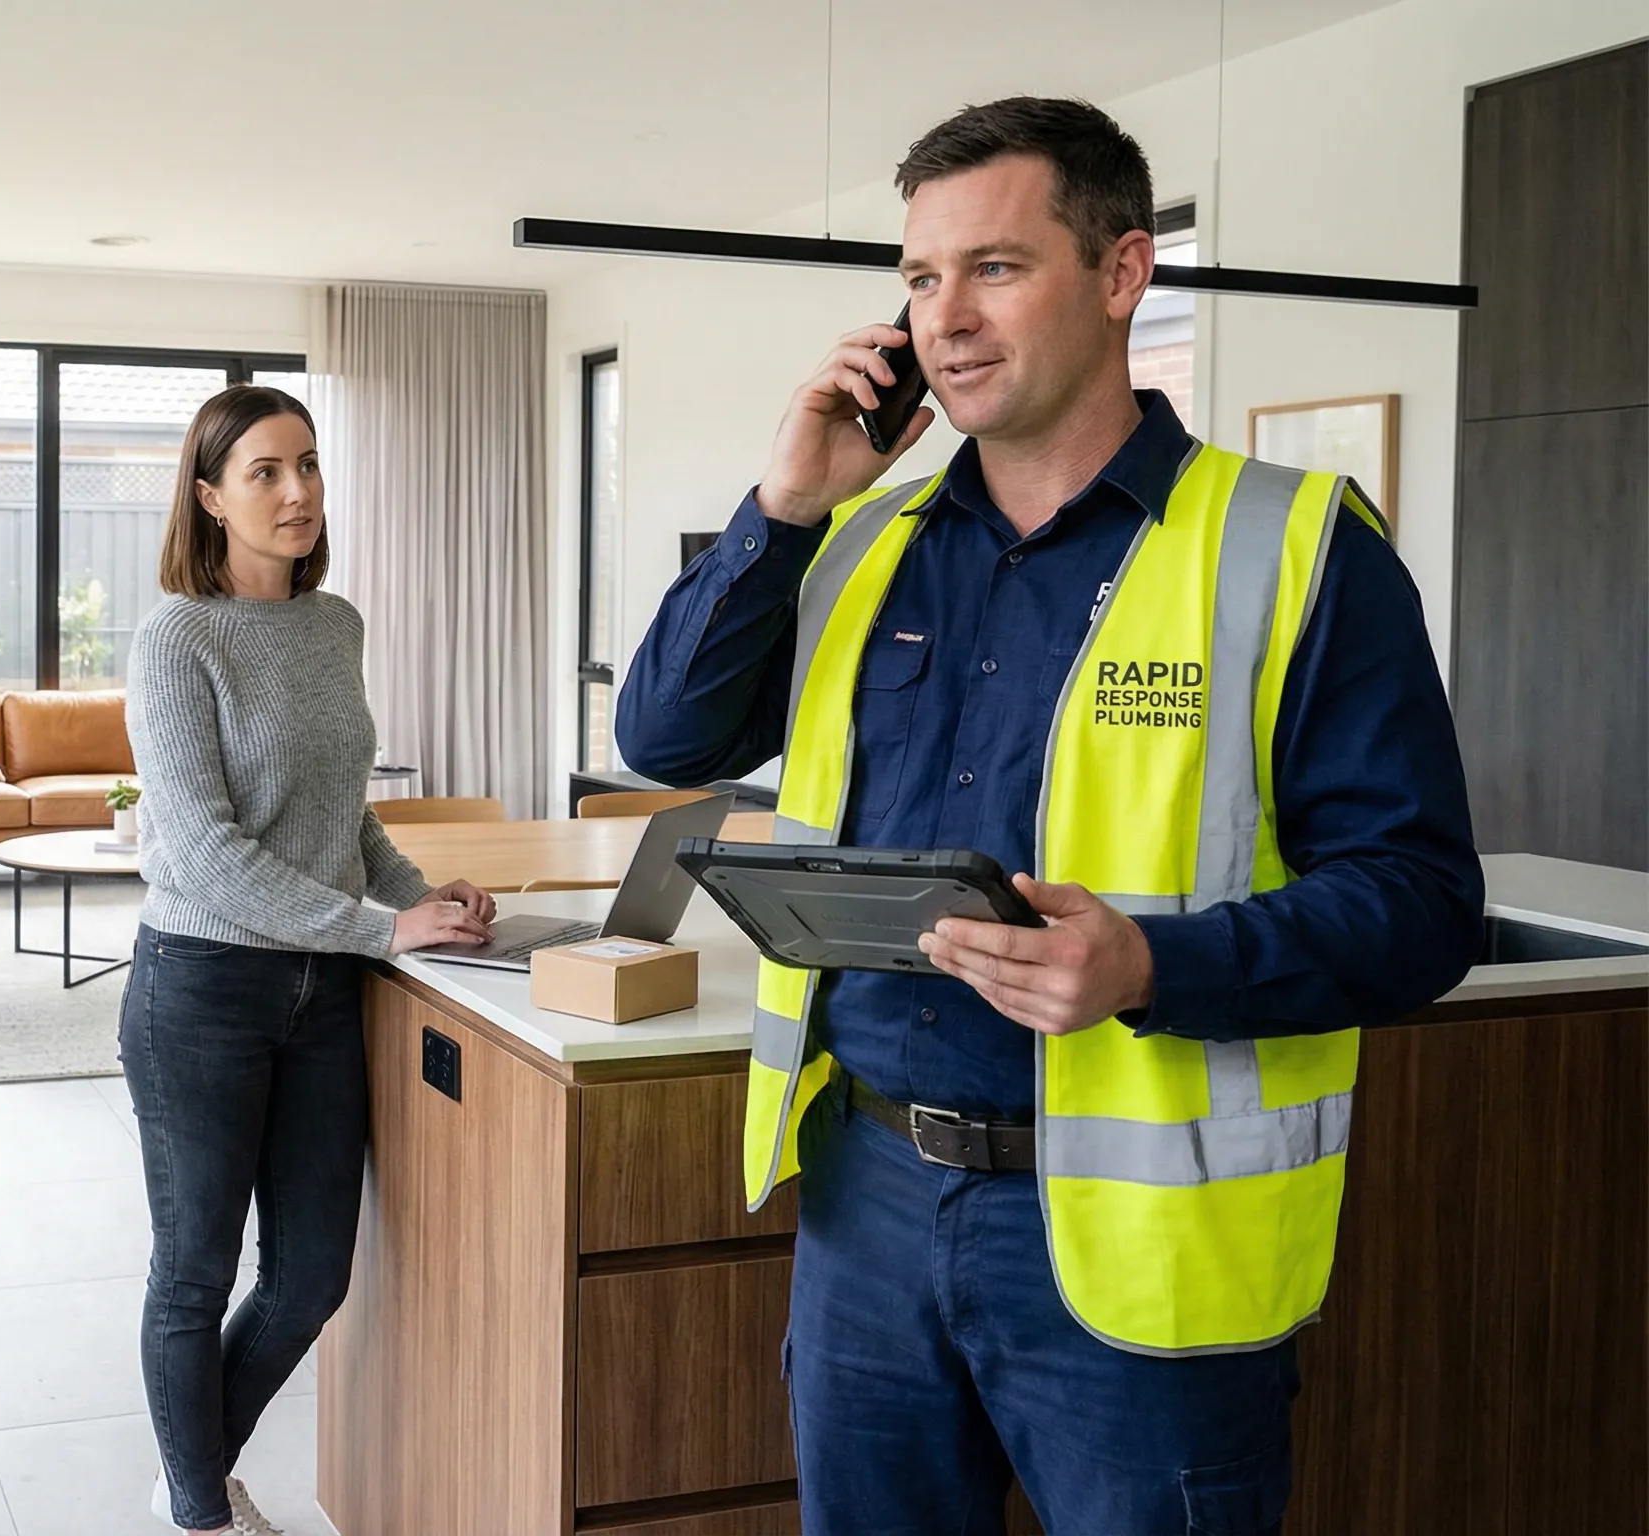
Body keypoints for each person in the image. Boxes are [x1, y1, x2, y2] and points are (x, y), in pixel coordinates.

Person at [615, 98, 1482, 1534]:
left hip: (1138, 1247)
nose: (944, 318)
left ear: (1124, 273)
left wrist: (1153, 966)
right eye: (917, 278)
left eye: (996, 268)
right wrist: (779, 505)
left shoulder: (1294, 545)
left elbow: (1419, 903)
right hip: (868, 1202)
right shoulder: (852, 545)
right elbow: (664, 738)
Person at [122, 383, 496, 1535]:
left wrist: (417, 896)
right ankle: (200, 1512)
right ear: (210, 499)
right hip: (201, 988)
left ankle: (191, 1469)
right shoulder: (176, 637)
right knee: (194, 1274)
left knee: (308, 1278)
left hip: (323, 992)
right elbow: (205, 852)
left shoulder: (334, 625)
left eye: (308, 465)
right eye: (265, 473)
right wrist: (384, 930)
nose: (296, 493)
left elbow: (343, 818)